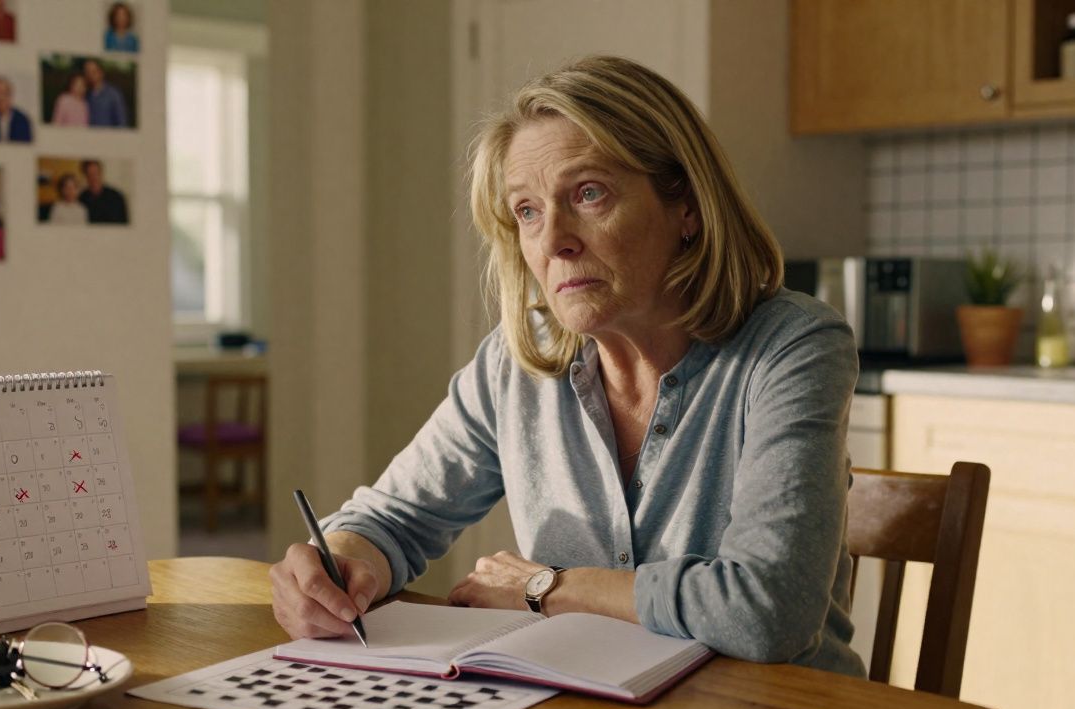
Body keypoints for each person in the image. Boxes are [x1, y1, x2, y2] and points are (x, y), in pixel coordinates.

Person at [268, 55, 865, 677]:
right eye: (527, 211)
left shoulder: (794, 345)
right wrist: (335, 562)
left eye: (589, 194)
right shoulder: (517, 357)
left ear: (686, 205)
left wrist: (548, 590)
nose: (554, 240)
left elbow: (769, 611)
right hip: (586, 707)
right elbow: (397, 516)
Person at [83, 59, 129, 128]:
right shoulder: (86, 95)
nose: (90, 75)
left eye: (93, 71)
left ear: (101, 73)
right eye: (87, 72)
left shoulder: (114, 94)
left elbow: (122, 122)